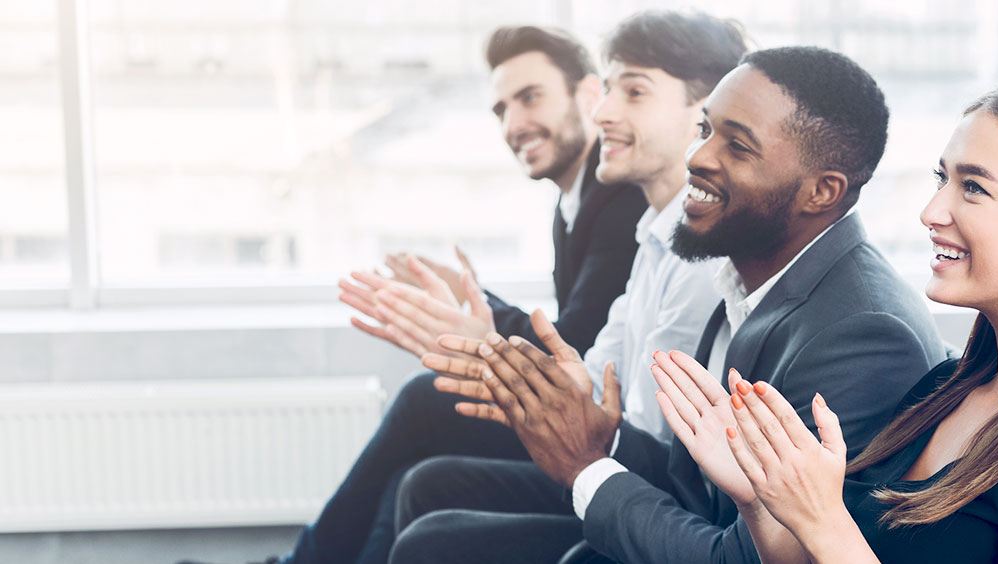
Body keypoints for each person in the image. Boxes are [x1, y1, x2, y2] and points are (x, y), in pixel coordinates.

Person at [391, 45, 946, 564]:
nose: (697, 157)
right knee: (434, 527)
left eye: (737, 145)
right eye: (705, 129)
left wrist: (587, 467)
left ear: (820, 193)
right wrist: (600, 433)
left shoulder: (863, 333)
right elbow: (698, 484)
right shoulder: (748, 271)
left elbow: (743, 555)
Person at [656, 84, 998, 563]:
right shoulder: (943, 390)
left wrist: (823, 520)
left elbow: (834, 542)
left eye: (973, 187)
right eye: (941, 179)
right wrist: (759, 498)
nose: (931, 211)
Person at [278, 21, 738, 564]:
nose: (604, 114)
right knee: (422, 478)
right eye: (501, 110)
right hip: (616, 452)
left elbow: (635, 419)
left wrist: (493, 340)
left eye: (632, 92)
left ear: (704, 116)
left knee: (424, 433)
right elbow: (593, 369)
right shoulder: (645, 231)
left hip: (641, 482)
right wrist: (488, 338)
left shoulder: (656, 227)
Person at [340, 26, 645, 360]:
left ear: (589, 95)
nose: (512, 126)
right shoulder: (570, 202)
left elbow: (570, 346)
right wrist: (468, 300)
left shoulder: (621, 197)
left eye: (530, 98)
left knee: (421, 398)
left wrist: (469, 301)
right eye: (501, 111)